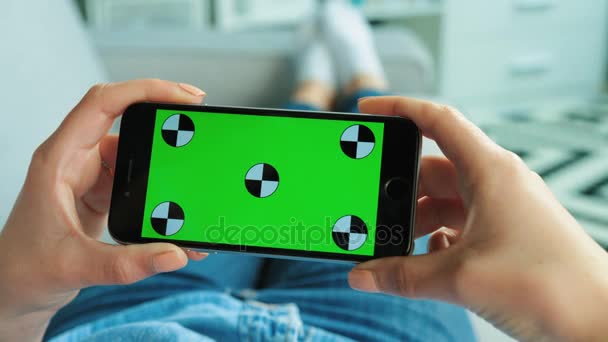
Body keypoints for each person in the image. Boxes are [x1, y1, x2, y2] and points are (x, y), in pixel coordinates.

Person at [1, 2, 607, 341]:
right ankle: (359, 80)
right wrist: (583, 302)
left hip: (134, 320)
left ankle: (313, 88)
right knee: (353, 177)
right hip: (371, 332)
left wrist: (12, 304)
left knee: (286, 165)